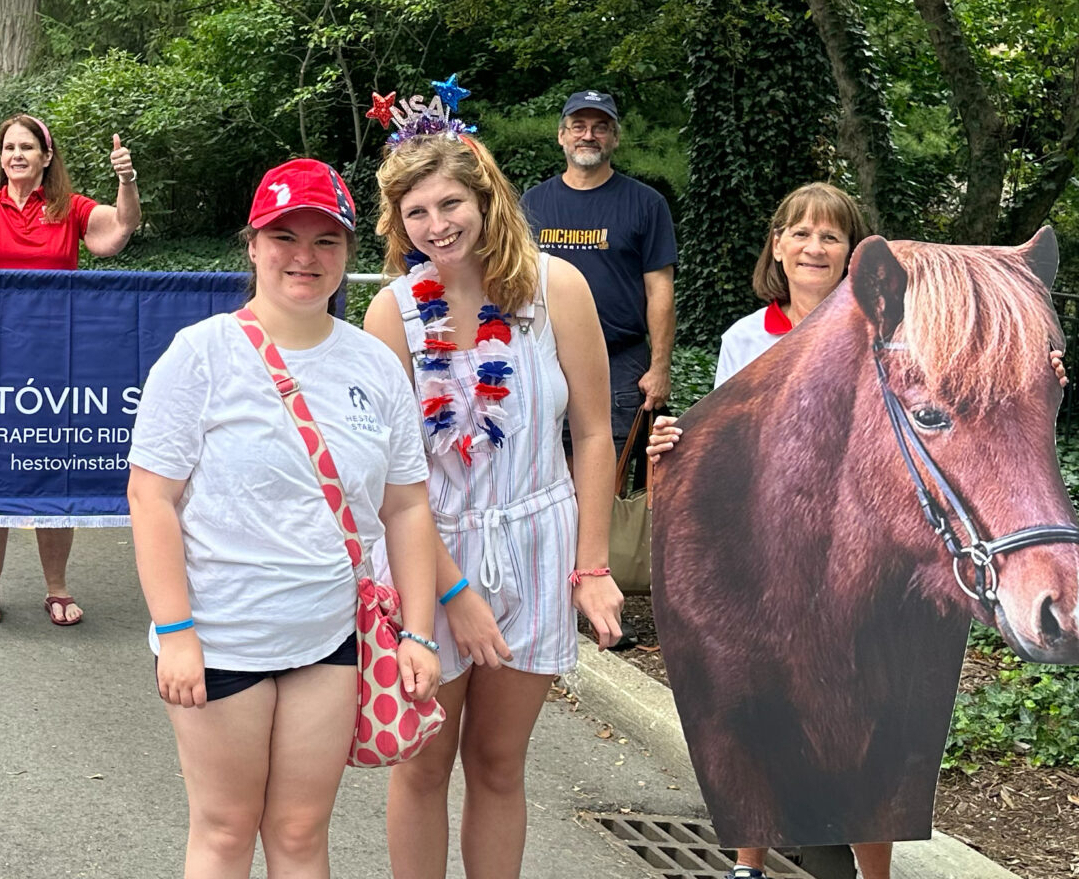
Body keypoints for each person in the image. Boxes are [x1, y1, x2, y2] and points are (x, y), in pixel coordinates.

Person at [648, 182, 1068, 879]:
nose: (813, 246)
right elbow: (721, 431)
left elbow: (976, 394)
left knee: (886, 705)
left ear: (852, 258)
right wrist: (675, 440)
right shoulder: (747, 337)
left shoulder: (907, 328)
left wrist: (1033, 358)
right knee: (751, 701)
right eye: (800, 234)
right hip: (776, 549)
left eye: (830, 236)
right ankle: (748, 861)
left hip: (864, 549)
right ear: (776, 246)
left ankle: (872, 867)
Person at [127, 158, 440, 878]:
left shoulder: (374, 365)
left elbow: (407, 506)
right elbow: (151, 498)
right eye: (284, 236)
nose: (305, 256)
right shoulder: (201, 356)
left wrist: (419, 632)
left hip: (328, 638)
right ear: (253, 245)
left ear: (348, 253)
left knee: (301, 833)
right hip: (220, 637)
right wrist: (175, 632)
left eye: (326, 240)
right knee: (227, 830)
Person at [365, 124, 624, 878]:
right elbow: (391, 477)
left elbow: (596, 432)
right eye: (415, 213)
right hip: (429, 552)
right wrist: (454, 592)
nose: (436, 225)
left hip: (537, 538)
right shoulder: (393, 315)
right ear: (397, 223)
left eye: (450, 203)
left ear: (485, 199)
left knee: (499, 765)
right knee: (420, 762)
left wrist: (593, 566)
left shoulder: (555, 289)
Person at [0, 113, 141, 625]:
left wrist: (126, 181)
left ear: (46, 156)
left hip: (52, 361)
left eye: (27, 147)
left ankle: (56, 588)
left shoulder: (70, 208)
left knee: (47, 472)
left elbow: (118, 232)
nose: (17, 154)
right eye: (9, 147)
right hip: (0, 357)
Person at [520, 89, 677, 458]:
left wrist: (660, 368)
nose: (588, 135)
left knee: (610, 472)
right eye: (578, 126)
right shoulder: (533, 203)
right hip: (545, 357)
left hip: (619, 364)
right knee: (542, 463)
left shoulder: (646, 203)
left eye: (600, 127)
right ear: (562, 135)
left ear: (615, 138)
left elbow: (660, 291)